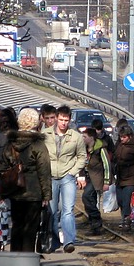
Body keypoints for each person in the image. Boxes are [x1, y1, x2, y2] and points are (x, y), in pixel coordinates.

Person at [3, 108, 52, 252]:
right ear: (35, 122)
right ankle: (27, 258)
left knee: (17, 225)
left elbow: (3, 164)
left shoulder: (11, 142)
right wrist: (46, 194)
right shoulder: (38, 144)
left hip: (15, 190)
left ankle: (14, 257)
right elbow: (44, 169)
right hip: (33, 190)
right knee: (30, 227)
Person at [42, 105, 87, 253]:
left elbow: (82, 156)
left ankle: (68, 240)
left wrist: (73, 172)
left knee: (67, 210)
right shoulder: (45, 134)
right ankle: (54, 241)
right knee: (53, 211)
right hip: (51, 177)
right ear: (56, 119)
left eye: (66, 120)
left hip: (67, 176)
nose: (63, 123)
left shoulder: (76, 137)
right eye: (61, 120)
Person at [112, 125, 134, 230]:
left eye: (124, 137)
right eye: (121, 137)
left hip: (132, 178)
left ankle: (126, 220)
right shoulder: (119, 145)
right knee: (120, 200)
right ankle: (127, 217)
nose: (122, 139)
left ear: (129, 136)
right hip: (120, 177)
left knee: (126, 200)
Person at [81, 127, 111, 236]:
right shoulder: (84, 148)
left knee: (86, 196)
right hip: (88, 178)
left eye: (85, 136)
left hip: (97, 178)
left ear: (91, 138)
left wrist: (107, 182)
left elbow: (107, 165)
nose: (82, 138)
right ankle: (94, 226)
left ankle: (96, 218)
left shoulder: (101, 149)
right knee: (91, 200)